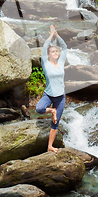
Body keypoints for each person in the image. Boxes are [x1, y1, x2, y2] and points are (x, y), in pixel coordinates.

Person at [36, 25, 67, 153]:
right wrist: (50, 35)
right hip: (48, 95)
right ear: (48, 55)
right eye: (53, 52)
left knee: (55, 123)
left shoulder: (61, 62)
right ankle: (52, 111)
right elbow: (44, 47)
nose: (56, 53)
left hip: (61, 97)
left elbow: (64, 47)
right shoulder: (45, 63)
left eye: (56, 51)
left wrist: (57, 35)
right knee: (39, 108)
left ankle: (50, 146)